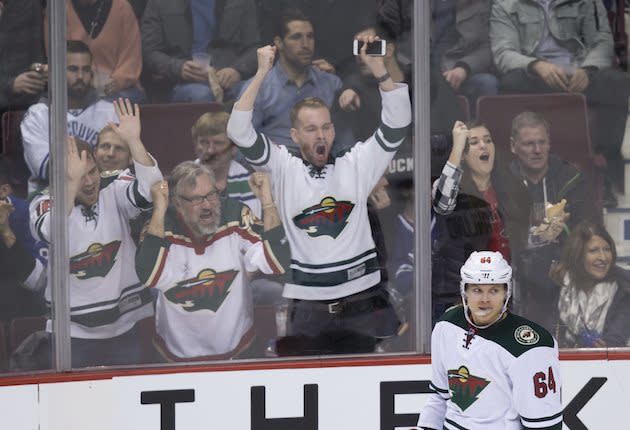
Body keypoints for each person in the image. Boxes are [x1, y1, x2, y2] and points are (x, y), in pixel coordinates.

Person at [226, 35, 410, 355]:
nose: (321, 135)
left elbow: (397, 124)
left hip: (362, 300)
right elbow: (238, 130)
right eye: (311, 130)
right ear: (295, 135)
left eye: (326, 127)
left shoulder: (357, 163)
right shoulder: (282, 167)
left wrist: (380, 71)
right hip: (308, 306)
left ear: (333, 130)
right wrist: (260, 74)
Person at [29, 98, 163, 367]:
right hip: (72, 335)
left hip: (124, 326)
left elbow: (152, 190)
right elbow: (54, 231)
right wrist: (70, 183)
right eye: (79, 177)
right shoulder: (42, 201)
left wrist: (135, 142)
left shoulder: (113, 184)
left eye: (92, 171)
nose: (89, 182)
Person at [134, 163, 289, 361]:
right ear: (178, 203)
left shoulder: (235, 215)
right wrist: (158, 211)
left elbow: (277, 262)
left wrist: (267, 201)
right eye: (197, 199)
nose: (207, 205)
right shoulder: (160, 226)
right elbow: (149, 276)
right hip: (175, 358)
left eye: (211, 195)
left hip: (238, 351)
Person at [490, 0, 630, 193]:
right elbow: (503, 52)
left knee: (617, 82)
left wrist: (587, 70)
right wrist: (536, 65)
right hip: (535, 75)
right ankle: (516, 175)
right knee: (509, 82)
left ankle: (605, 168)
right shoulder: (505, 4)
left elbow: (602, 42)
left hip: (580, 72)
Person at [418, 251, 563, 430]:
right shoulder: (447, 325)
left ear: (506, 292)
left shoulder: (530, 347)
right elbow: (439, 397)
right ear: (465, 291)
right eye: (477, 290)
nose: (485, 299)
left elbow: (543, 425)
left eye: (494, 290)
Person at [432, 120, 530, 322]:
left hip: (504, 291)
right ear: (464, 155)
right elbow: (442, 203)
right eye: (474, 142)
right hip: (461, 296)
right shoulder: (454, 191)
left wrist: (544, 234)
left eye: (488, 140)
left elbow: (520, 242)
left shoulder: (510, 188)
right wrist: (457, 147)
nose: (483, 146)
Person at [508, 111, 590, 331]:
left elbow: (586, 228)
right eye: (528, 144)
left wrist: (564, 228)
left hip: (564, 262)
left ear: (549, 144)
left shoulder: (570, 177)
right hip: (518, 265)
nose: (537, 150)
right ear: (513, 146)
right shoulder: (502, 181)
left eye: (541, 142)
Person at [21, 40, 117, 192]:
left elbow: (117, 167)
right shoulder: (37, 115)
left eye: (85, 69)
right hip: (50, 200)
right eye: (73, 69)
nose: (80, 76)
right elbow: (47, 170)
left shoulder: (110, 111)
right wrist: (93, 161)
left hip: (99, 196)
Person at [241, 8, 342, 151]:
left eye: (310, 36)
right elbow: (243, 142)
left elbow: (343, 138)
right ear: (279, 43)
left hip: (324, 166)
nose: (306, 44)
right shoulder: (258, 88)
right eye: (296, 37)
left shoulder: (331, 84)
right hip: (275, 168)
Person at [140, 0, 261, 103]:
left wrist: (237, 70)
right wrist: (178, 67)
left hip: (232, 79)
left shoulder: (241, 2)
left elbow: (256, 48)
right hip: (183, 83)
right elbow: (149, 52)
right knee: (201, 95)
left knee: (260, 92)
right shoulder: (160, 3)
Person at [550, 221, 630, 348]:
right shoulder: (558, 286)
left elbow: (616, 340)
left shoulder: (625, 290)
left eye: (607, 249)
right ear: (578, 255)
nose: (603, 258)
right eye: (593, 251)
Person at [49, 0, 146, 103]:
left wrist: (116, 82)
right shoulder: (58, 9)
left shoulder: (122, 7)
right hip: (74, 87)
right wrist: (87, 80)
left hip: (119, 88)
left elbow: (131, 59)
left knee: (110, 104)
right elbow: (57, 59)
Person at [0, 160, 46, 323]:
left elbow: (38, 282)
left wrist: (6, 231)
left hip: (23, 308)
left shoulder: (29, 214)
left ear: (4, 190)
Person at [431, 0, 498, 110]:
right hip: (422, 68)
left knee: (487, 83)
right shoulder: (419, 5)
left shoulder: (484, 5)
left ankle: (481, 126)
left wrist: (463, 68)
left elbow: (488, 47)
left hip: (459, 67)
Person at [191, 111, 260, 217]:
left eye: (218, 143)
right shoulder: (183, 179)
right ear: (196, 144)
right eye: (204, 142)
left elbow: (253, 225)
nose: (210, 150)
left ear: (234, 148)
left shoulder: (249, 182)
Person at [0, 0, 47, 111]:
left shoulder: (27, 5)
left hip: (27, 103)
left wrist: (49, 70)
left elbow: (36, 53)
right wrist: (9, 85)